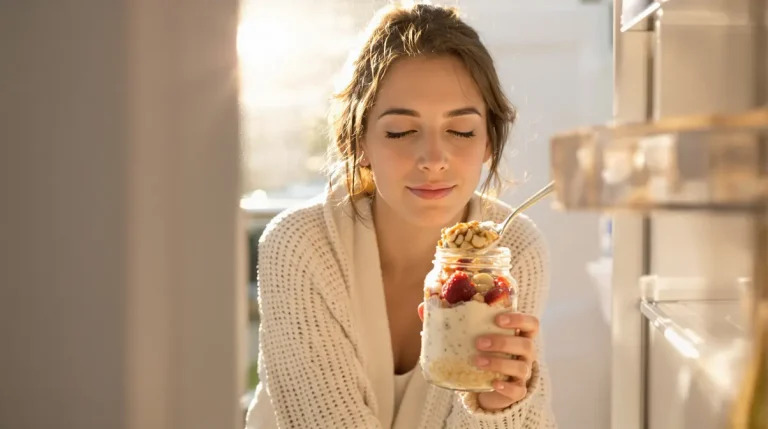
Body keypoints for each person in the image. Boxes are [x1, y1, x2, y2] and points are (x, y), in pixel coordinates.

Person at [245, 3, 556, 428]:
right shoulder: (299, 245)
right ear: (360, 143)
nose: (433, 159)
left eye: (461, 131)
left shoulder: (513, 247)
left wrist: (498, 408)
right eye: (400, 131)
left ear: (488, 141)